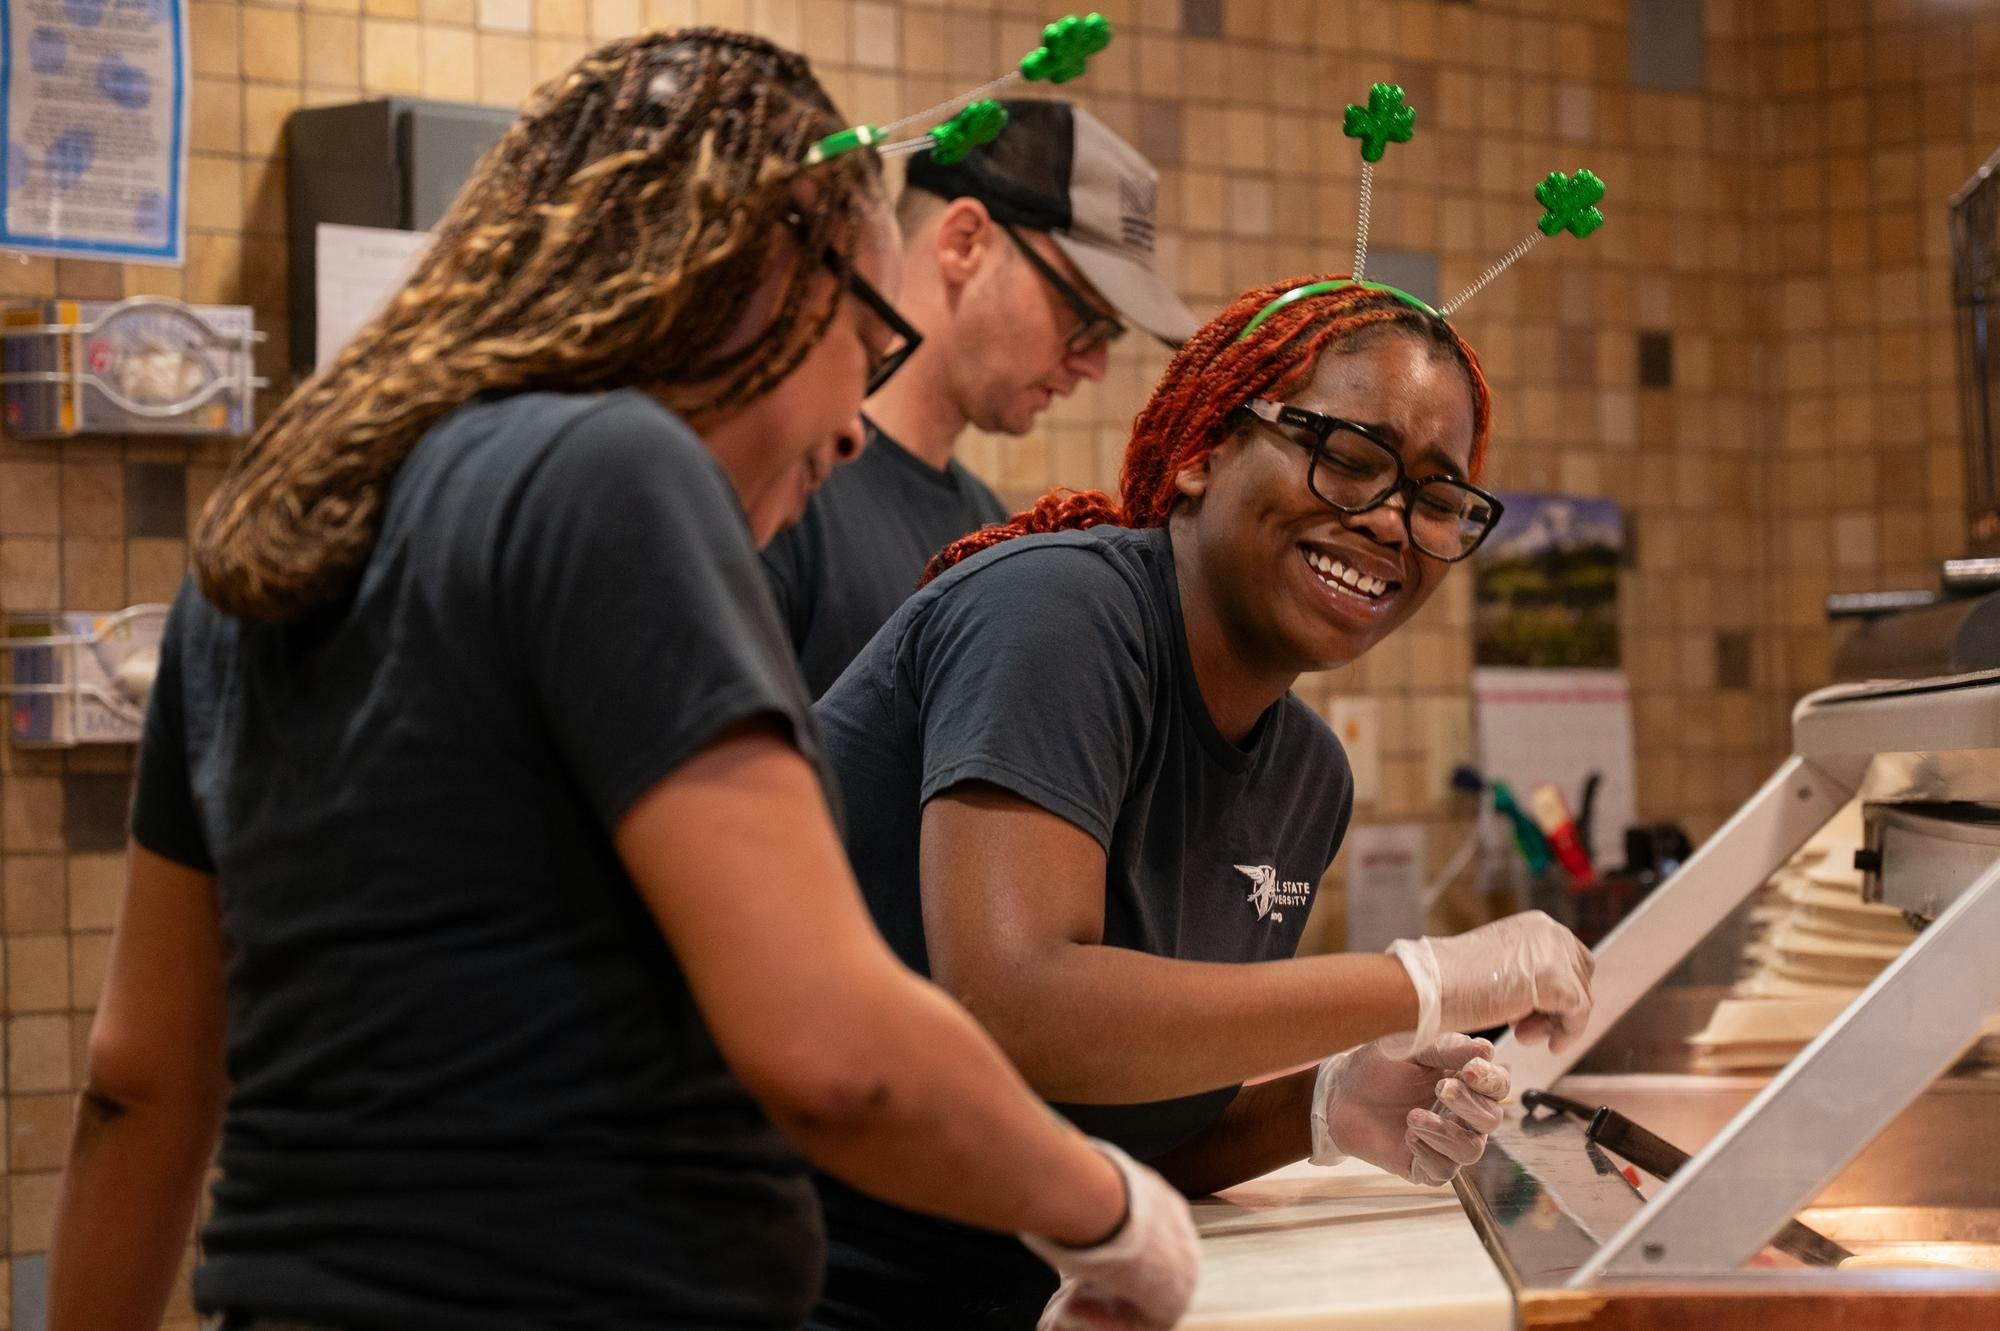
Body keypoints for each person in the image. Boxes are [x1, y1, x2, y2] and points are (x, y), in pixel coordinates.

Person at [46, 30, 1197, 1331]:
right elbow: (836, 1052)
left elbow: (139, 1081)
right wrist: (1111, 1211)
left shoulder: (270, 536)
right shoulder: (610, 474)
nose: (846, 423)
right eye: (865, 340)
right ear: (768, 267)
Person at [807, 276, 1597, 1328]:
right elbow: (1016, 1010)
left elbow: (1127, 1120)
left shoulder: (1307, 774)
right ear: (1200, 449)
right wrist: (1416, 981)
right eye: (1347, 456)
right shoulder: (1054, 616)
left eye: (1437, 499)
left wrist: (1322, 1104)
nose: (1388, 523)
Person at [762, 98, 1198, 697]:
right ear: (965, 242)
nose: (1094, 364)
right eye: (1083, 315)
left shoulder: (986, 532)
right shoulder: (784, 484)